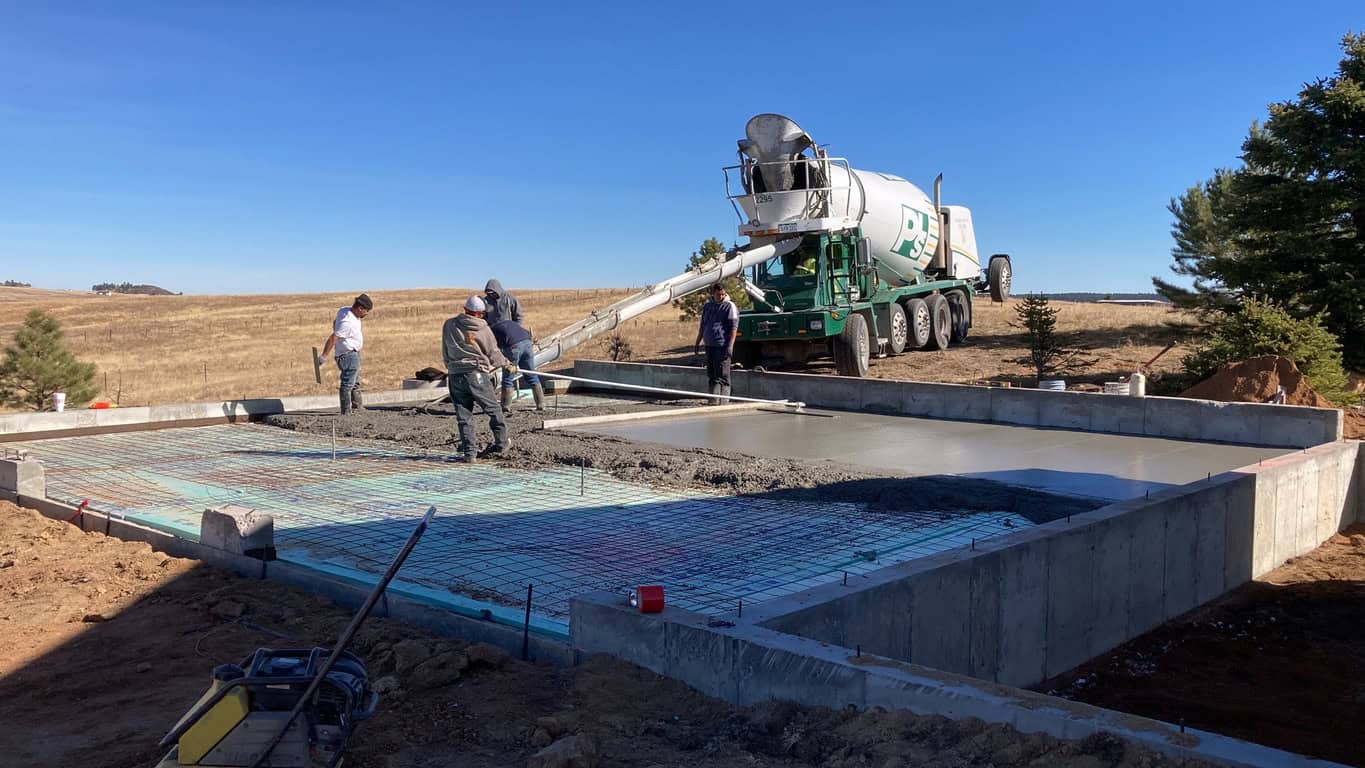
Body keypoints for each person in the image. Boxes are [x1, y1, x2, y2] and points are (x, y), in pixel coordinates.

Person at [442, 296, 512, 462]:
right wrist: (507, 364)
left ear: (465, 309)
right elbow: (493, 353)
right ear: (480, 314)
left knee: (464, 416)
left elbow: (445, 349)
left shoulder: (449, 325)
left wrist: (451, 366)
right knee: (493, 410)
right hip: (476, 375)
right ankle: (502, 443)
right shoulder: (483, 329)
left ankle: (469, 454)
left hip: (455, 375)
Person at [316, 293, 372, 414]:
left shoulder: (344, 310)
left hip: (353, 353)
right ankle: (346, 410)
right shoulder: (348, 322)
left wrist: (338, 329)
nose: (366, 314)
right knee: (348, 384)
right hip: (347, 355)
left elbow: (335, 322)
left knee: (355, 382)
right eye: (366, 311)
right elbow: (333, 338)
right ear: (360, 308)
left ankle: (358, 407)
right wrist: (323, 356)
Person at [694, 283, 739, 405]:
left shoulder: (729, 306)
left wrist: (730, 346)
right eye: (718, 294)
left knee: (723, 374)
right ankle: (713, 400)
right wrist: (698, 341)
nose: (721, 296)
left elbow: (734, 328)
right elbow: (703, 325)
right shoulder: (708, 306)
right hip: (710, 345)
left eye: (723, 294)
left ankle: (723, 402)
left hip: (722, 346)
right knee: (712, 374)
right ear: (712, 294)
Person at [490, 316, 545, 413]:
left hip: (514, 347)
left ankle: (505, 406)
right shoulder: (509, 323)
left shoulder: (491, 331)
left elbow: (493, 350)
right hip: (527, 344)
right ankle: (540, 404)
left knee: (508, 377)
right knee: (531, 375)